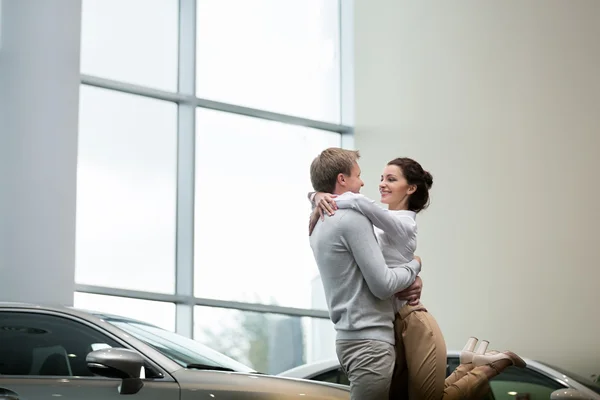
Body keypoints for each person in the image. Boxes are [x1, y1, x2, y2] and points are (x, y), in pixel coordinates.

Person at [309, 155, 526, 400]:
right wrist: (317, 196)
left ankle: (488, 368)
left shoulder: (404, 224)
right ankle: (468, 364)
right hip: (392, 324)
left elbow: (361, 205)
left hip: (412, 320)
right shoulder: (379, 220)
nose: (379, 183)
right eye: (381, 178)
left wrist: (415, 265)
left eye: (391, 179)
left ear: (410, 188)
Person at [308, 148, 424, 400]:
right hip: (370, 342)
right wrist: (415, 266)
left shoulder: (318, 219)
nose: (364, 183)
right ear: (342, 179)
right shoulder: (352, 219)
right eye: (358, 175)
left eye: (390, 179)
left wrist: (315, 196)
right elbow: (383, 285)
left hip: (350, 338)